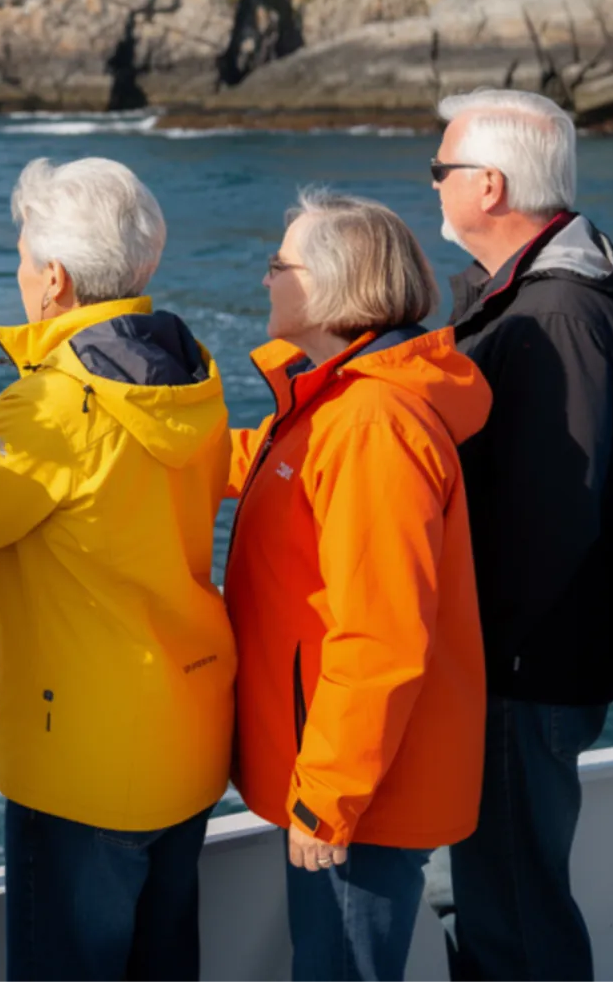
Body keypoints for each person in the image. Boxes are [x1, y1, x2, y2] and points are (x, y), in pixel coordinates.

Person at [0, 156, 233, 982]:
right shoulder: (193, 372)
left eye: (20, 257)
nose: (16, 273)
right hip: (184, 732)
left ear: (54, 280)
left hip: (84, 759)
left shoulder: (58, 401)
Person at [223, 190, 488, 982]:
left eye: (280, 264)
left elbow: (381, 631)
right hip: (349, 766)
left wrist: (328, 796)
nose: (266, 279)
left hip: (358, 786)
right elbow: (265, 465)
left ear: (334, 289)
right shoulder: (337, 402)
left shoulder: (370, 421)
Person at [429, 88, 613, 982]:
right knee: (504, 895)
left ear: (489, 186)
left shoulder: (555, 312)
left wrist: (476, 649)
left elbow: (556, 511)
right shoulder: (534, 299)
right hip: (523, 661)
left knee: (517, 909)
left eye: (441, 170)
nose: (435, 185)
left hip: (520, 670)